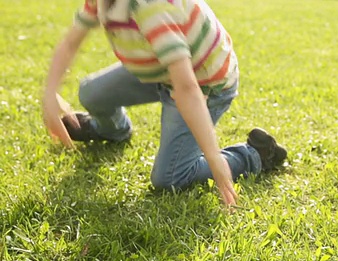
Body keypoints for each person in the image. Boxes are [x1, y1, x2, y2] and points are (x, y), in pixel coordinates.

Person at [42, 0, 287, 209]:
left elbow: (187, 88)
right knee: (91, 92)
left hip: (203, 84)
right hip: (161, 71)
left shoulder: (151, 6)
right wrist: (50, 93)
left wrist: (214, 158)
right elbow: (71, 42)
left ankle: (254, 155)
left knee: (169, 178)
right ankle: (113, 130)